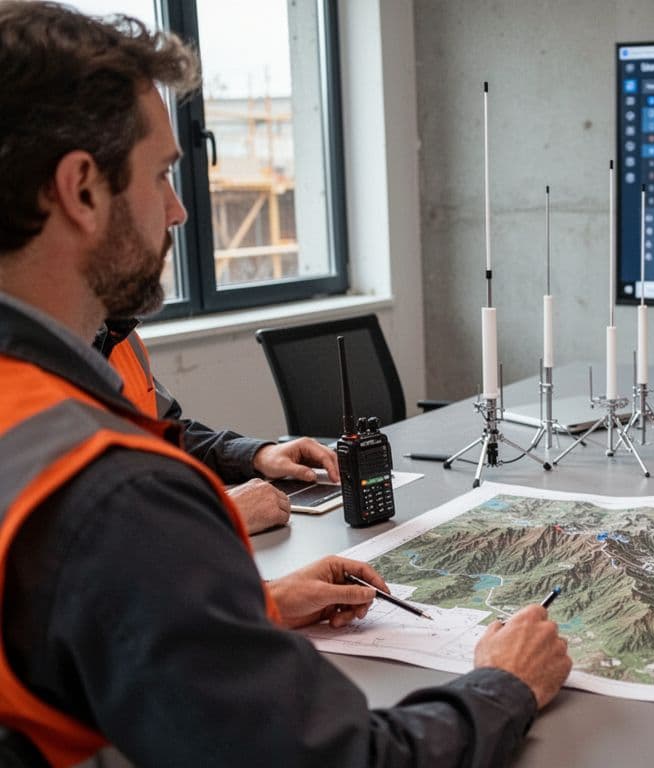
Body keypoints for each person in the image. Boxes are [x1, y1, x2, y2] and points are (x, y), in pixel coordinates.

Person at [0, 4, 571, 766]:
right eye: (162, 175)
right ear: (80, 189)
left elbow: (62, 630)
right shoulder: (118, 498)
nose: (177, 211)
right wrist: (506, 683)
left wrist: (245, 611)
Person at [96, 317, 337, 534]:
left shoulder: (123, 338)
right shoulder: (59, 368)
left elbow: (168, 439)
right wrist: (219, 512)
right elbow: (81, 533)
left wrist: (256, 455)